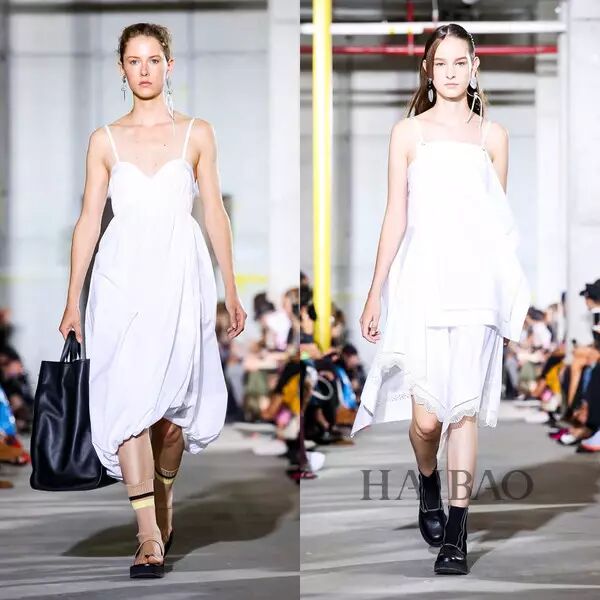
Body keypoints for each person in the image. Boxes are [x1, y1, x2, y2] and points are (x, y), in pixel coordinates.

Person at [58, 22, 247, 579]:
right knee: (129, 403)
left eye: (153, 59)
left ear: (169, 65)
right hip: (119, 279)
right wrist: (72, 300)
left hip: (180, 278)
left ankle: (163, 494)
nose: (144, 69)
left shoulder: (197, 134)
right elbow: (89, 221)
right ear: (122, 69)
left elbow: (214, 213)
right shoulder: (104, 140)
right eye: (134, 61)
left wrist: (232, 289)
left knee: (171, 420)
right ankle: (147, 535)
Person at [352, 24, 530, 575]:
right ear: (429, 71)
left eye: (460, 62)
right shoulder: (408, 134)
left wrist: (507, 298)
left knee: (463, 411)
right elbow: (395, 215)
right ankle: (427, 481)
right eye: (441, 63)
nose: (450, 72)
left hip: (476, 287)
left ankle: (457, 530)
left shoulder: (493, 137)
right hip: (422, 283)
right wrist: (375, 292)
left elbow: (497, 224)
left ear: (475, 67)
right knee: (427, 421)